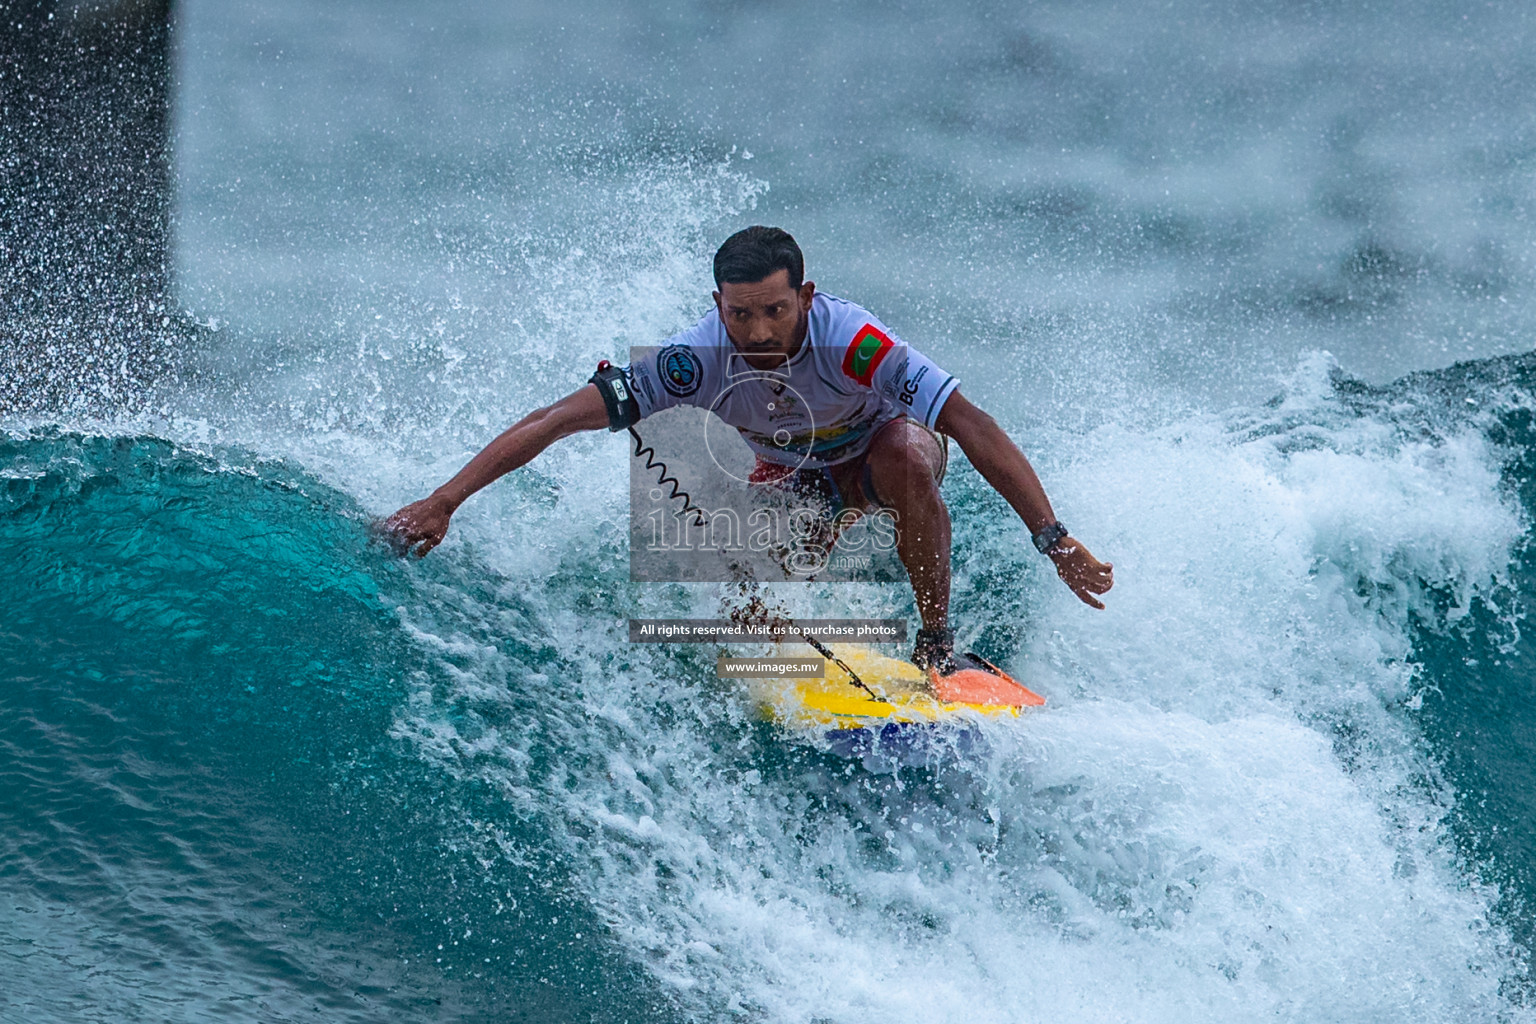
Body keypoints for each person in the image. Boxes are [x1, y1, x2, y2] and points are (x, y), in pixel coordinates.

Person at [384, 226, 1113, 677]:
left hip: (879, 453)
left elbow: (971, 421)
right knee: (748, 586)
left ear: (807, 296)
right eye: (739, 314)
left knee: (903, 454)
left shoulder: (855, 342)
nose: (758, 331)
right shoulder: (693, 360)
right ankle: (808, 619)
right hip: (796, 473)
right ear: (717, 303)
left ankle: (935, 642)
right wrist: (445, 500)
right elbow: (553, 419)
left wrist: (1053, 540)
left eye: (775, 310)